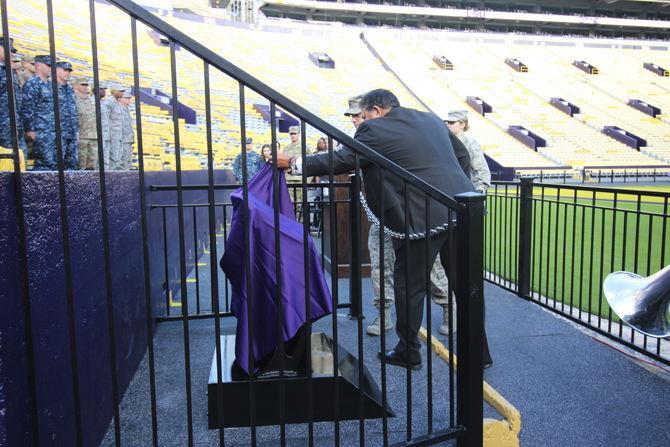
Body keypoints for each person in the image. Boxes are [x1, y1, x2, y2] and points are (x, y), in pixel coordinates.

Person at [278, 89, 492, 370]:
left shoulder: (374, 130)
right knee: (468, 286)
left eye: (364, 116)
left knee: (409, 286)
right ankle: (480, 353)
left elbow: (343, 159)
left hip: (422, 217)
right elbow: (461, 155)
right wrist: (452, 187)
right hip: (462, 208)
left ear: (377, 111)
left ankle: (408, 351)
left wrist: (293, 163)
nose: (362, 122)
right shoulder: (428, 119)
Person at [21, 54, 55, 170]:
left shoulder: (51, 85)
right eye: (49, 65)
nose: (51, 68)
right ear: (39, 66)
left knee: (52, 162)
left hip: (51, 130)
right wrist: (30, 129)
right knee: (42, 163)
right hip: (40, 130)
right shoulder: (32, 83)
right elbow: (28, 107)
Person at [445, 110, 491, 193]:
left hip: (466, 192)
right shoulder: (444, 141)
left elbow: (481, 169)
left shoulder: (470, 143)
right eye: (447, 122)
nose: (448, 125)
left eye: (451, 122)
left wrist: (479, 191)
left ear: (462, 124)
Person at [0, 37, 26, 156]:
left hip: (15, 124)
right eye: (8, 49)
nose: (11, 53)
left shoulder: (8, 71)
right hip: (3, 126)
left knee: (20, 159)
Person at [56, 61, 78, 170]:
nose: (67, 73)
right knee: (56, 164)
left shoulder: (70, 90)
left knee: (71, 165)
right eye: (65, 70)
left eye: (69, 71)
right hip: (56, 133)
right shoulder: (50, 87)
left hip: (71, 133)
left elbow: (74, 112)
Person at [74, 77, 98, 170]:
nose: (85, 87)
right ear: (76, 86)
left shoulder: (93, 101)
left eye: (86, 85)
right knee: (81, 163)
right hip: (81, 136)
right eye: (82, 85)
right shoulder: (73, 100)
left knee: (93, 164)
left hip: (94, 136)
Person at [101, 84, 126, 170]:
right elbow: (105, 118)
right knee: (111, 157)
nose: (122, 93)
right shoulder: (108, 102)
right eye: (120, 91)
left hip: (118, 135)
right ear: (114, 91)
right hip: (112, 135)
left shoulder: (118, 103)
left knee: (117, 158)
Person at [118, 90, 135, 170]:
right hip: (122, 139)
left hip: (128, 139)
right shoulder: (119, 109)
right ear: (121, 99)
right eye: (127, 98)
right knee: (122, 161)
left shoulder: (126, 109)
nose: (129, 100)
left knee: (127, 161)